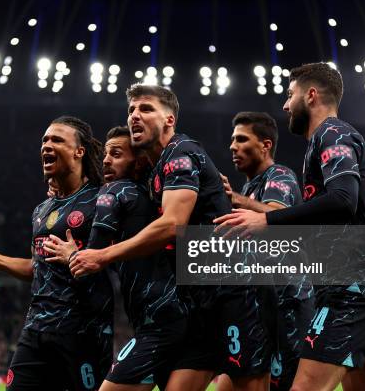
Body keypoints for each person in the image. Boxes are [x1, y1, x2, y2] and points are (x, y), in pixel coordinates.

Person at [68, 84, 270, 391]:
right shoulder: (156, 170)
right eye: (131, 109)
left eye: (146, 109)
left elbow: (171, 224)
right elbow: (119, 182)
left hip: (238, 293)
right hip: (200, 303)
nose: (135, 115)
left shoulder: (180, 154)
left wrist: (101, 255)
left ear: (169, 120)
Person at [216, 63, 365, 391]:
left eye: (290, 95)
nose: (286, 105)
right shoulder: (330, 138)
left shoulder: (331, 132)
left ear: (311, 95)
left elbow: (344, 198)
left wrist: (266, 219)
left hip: (351, 284)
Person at [0, 116, 113, 391]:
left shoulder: (103, 199)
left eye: (56, 140)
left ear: (79, 151)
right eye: (44, 140)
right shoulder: (41, 211)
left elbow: (129, 251)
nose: (46, 146)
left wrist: (77, 257)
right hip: (36, 331)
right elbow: (35, 268)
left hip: (82, 334)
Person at [44, 125, 189, 391]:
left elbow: (90, 258)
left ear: (139, 161)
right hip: (175, 313)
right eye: (106, 155)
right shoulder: (150, 194)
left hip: (158, 322)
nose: (107, 160)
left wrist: (71, 254)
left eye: (117, 154)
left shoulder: (114, 193)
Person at [218, 111, 314, 391]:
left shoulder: (279, 176)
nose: (232, 146)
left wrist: (234, 199)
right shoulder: (251, 187)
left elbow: (279, 214)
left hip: (288, 303)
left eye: (241, 139)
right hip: (261, 304)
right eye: (232, 140)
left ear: (265, 145)